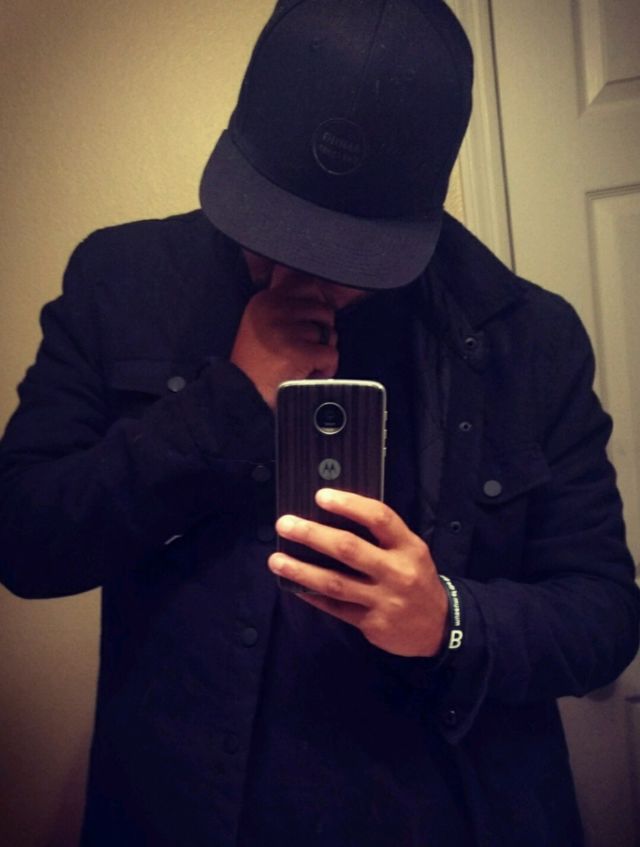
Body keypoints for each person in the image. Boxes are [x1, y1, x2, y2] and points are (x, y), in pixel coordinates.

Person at [0, 1, 637, 845]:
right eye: (273, 230)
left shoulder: (530, 337)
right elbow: (25, 540)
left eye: (345, 256)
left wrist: (447, 618)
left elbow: (604, 614)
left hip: (451, 810)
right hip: (190, 807)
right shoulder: (121, 282)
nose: (299, 266)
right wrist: (226, 404)